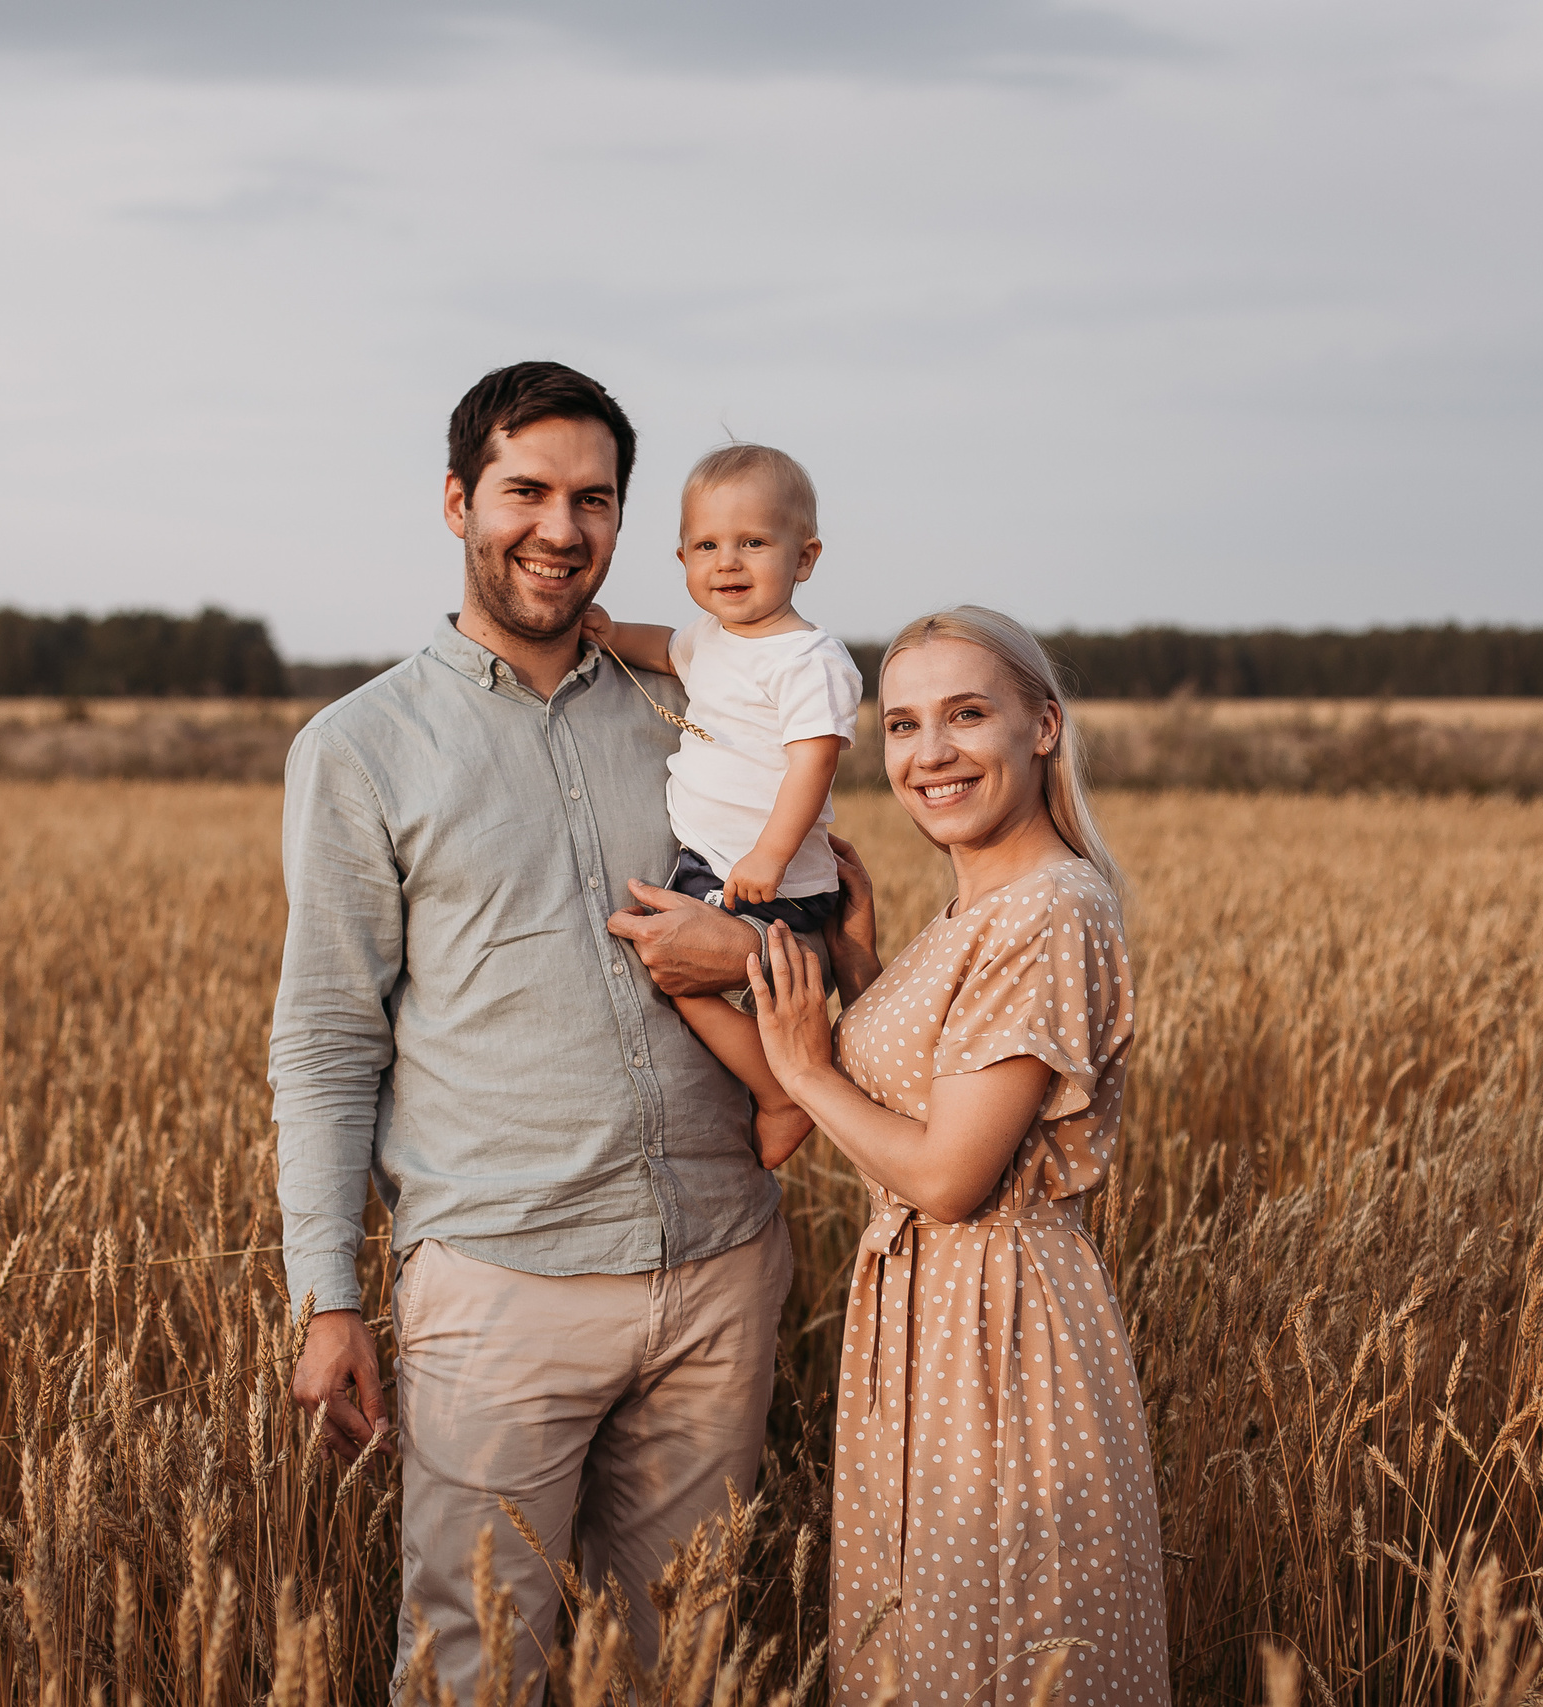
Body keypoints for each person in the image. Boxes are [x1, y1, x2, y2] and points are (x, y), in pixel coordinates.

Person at [268, 362, 806, 1702]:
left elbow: (818, 908)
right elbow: (332, 1034)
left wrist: (749, 945)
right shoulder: (361, 743)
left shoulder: (696, 710)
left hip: (722, 1269)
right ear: (458, 501)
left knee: (675, 1665)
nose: (559, 529)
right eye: (526, 491)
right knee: (473, 1667)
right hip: (500, 1287)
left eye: (594, 499)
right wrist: (329, 1292)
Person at [747, 608, 1173, 1705]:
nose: (928, 754)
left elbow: (947, 1176)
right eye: (901, 726)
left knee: (993, 1653)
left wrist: (805, 1074)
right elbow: (948, 1083)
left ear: (1042, 726)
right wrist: (858, 964)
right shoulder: (979, 906)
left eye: (966, 715)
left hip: (1000, 1335)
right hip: (940, 1323)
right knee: (930, 1647)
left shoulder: (1048, 911)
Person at [581, 442, 863, 1169]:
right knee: (688, 978)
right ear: (683, 562)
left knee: (679, 979)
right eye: (707, 545)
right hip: (712, 862)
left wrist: (767, 855)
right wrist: (610, 635)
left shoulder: (808, 658)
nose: (728, 562)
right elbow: (664, 650)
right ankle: (769, 1082)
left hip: (763, 874)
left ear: (805, 558)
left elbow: (813, 761)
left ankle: (783, 1092)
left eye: (753, 542)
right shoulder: (710, 638)